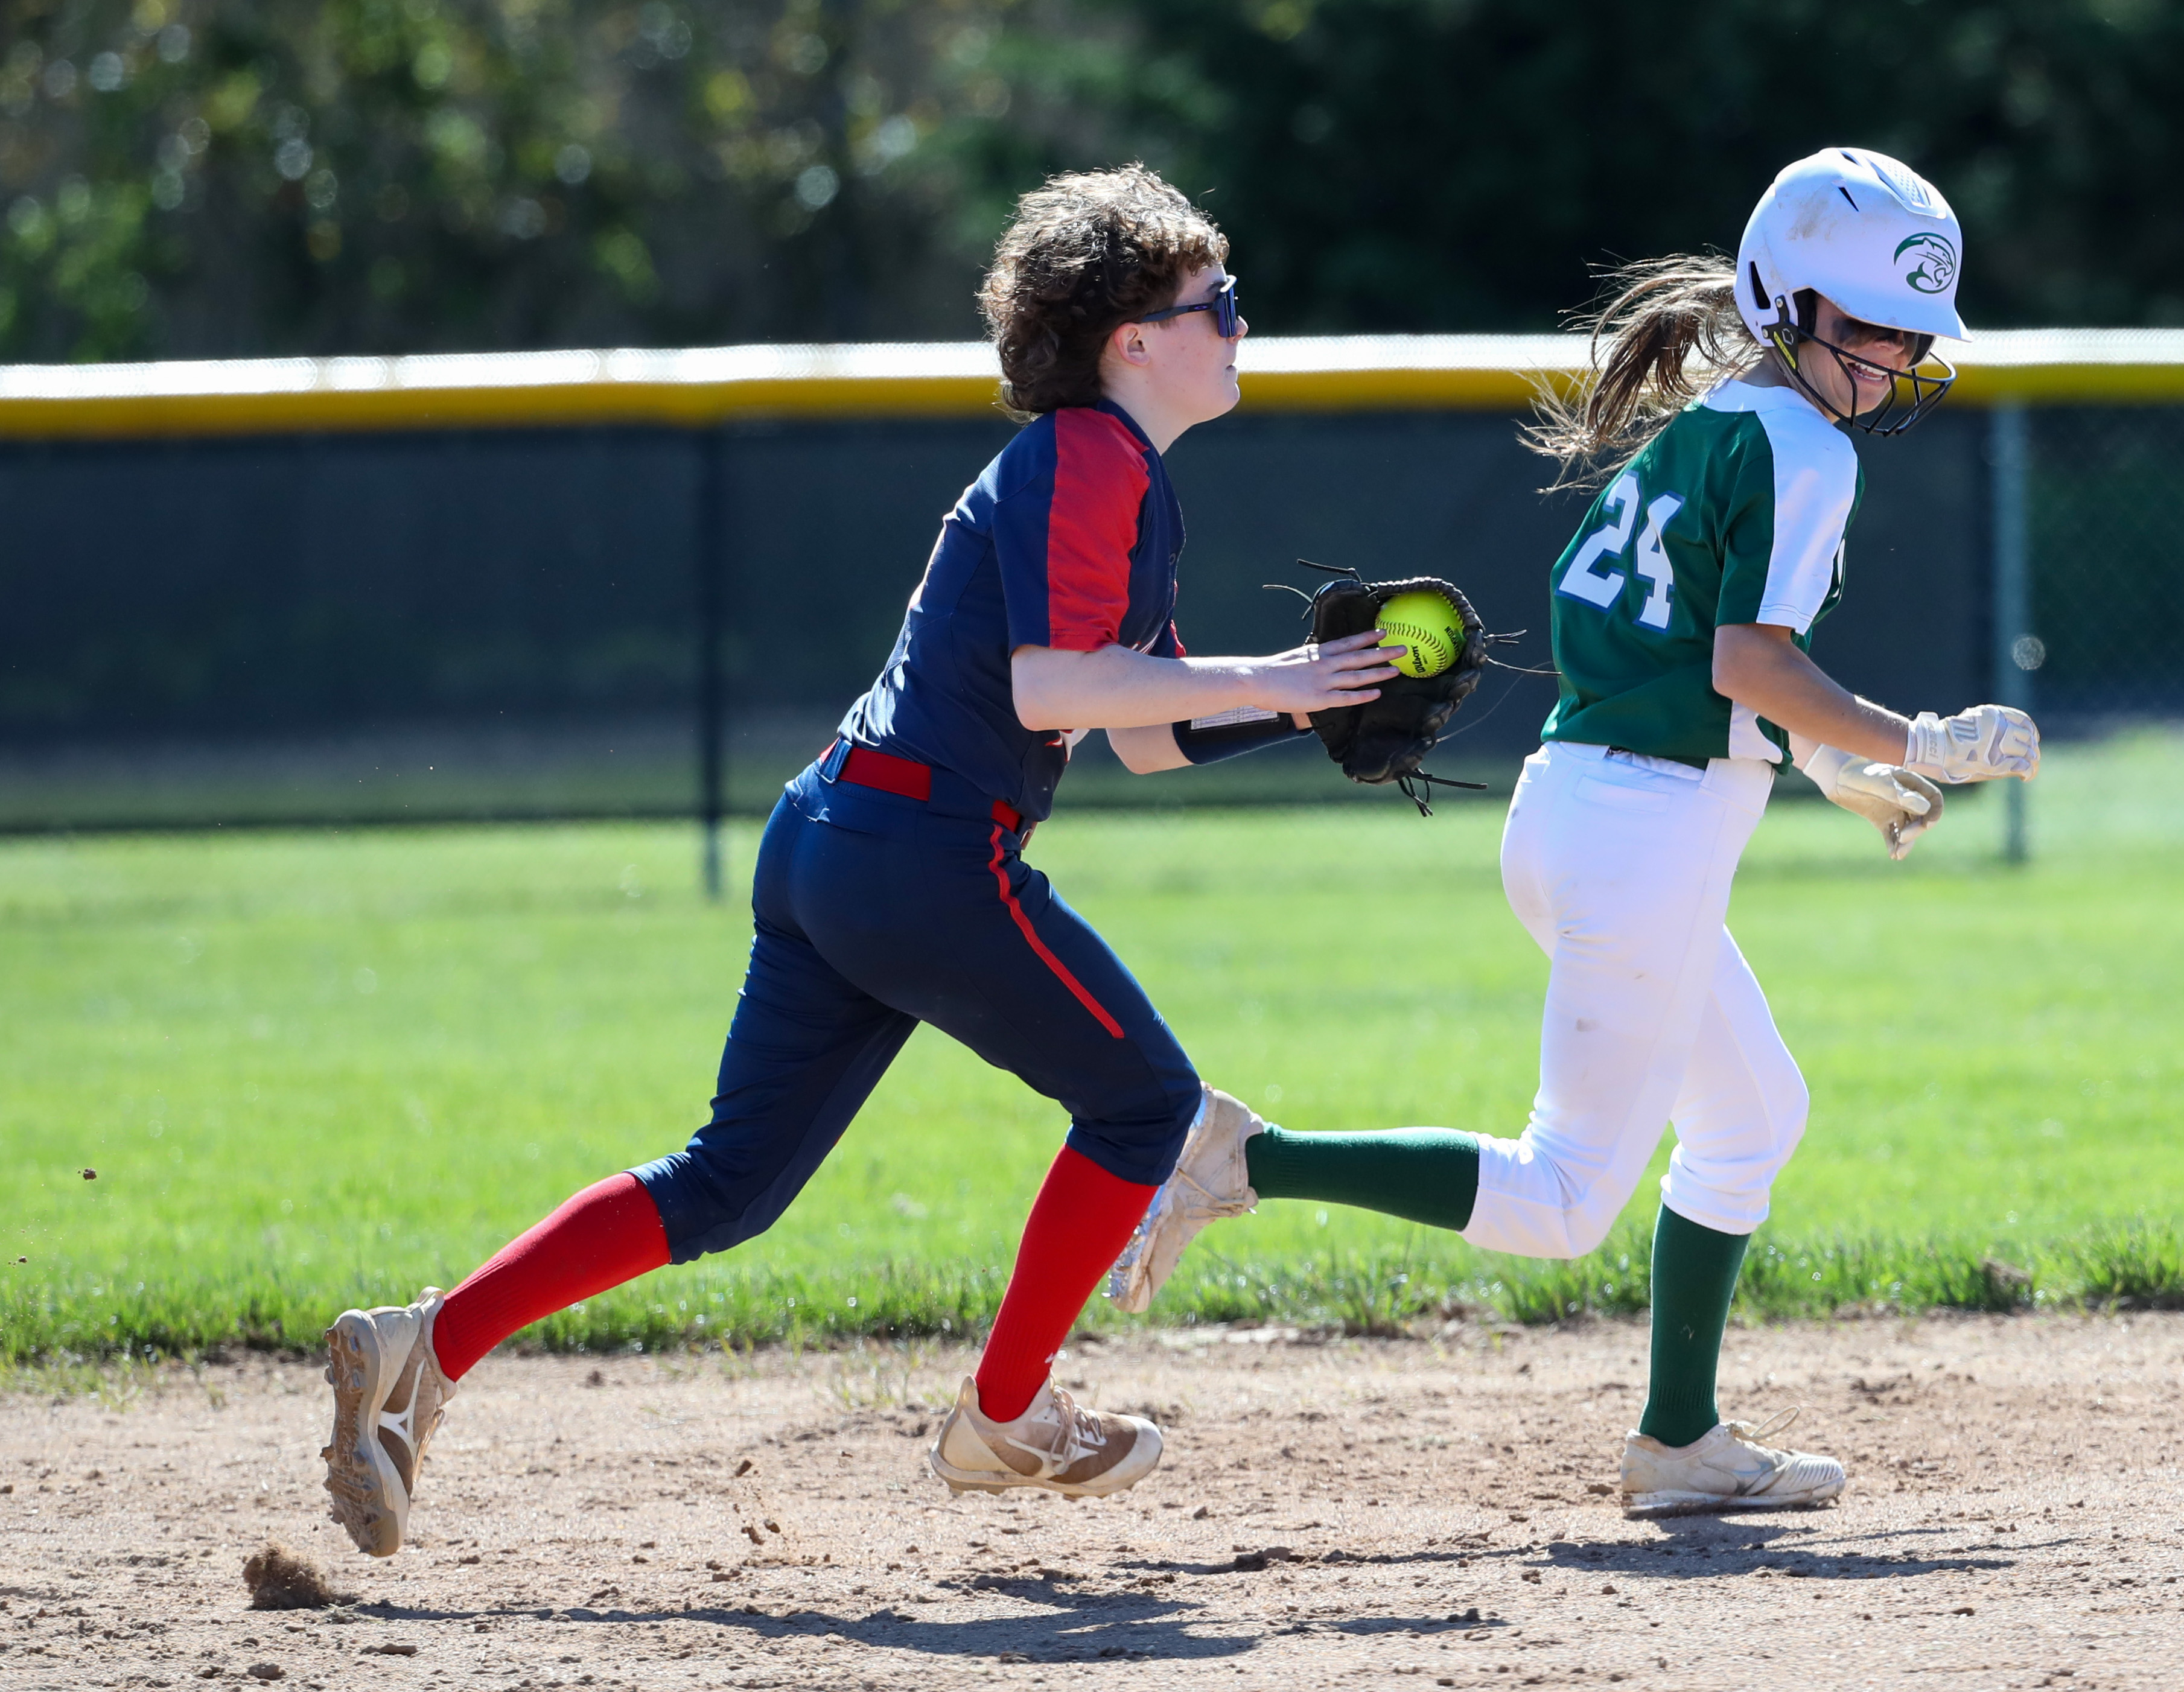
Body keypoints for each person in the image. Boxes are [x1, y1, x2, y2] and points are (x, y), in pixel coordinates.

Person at [318, 164, 1406, 1557]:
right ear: (1133, 339)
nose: (1241, 328)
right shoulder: (1090, 456)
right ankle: (1006, 1415)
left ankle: (428, 1344)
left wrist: (1298, 707)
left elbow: (1140, 729)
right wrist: (1287, 668)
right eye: (1221, 305)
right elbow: (1048, 692)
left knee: (725, 1184)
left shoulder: (1108, 473)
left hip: (834, 837)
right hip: (930, 857)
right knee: (1146, 1105)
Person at [1107, 148, 2040, 1518]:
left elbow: (1681, 661)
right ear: (1788, 305)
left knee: (1752, 1117)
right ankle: (1248, 1156)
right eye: (1869, 326)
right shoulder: (1805, 444)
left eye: (1911, 333)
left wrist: (1824, 760)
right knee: (1561, 1198)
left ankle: (1681, 1442)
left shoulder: (1715, 423)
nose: (1895, 356)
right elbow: (1743, 661)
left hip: (1595, 812)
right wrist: (1913, 739)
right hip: (1641, 835)